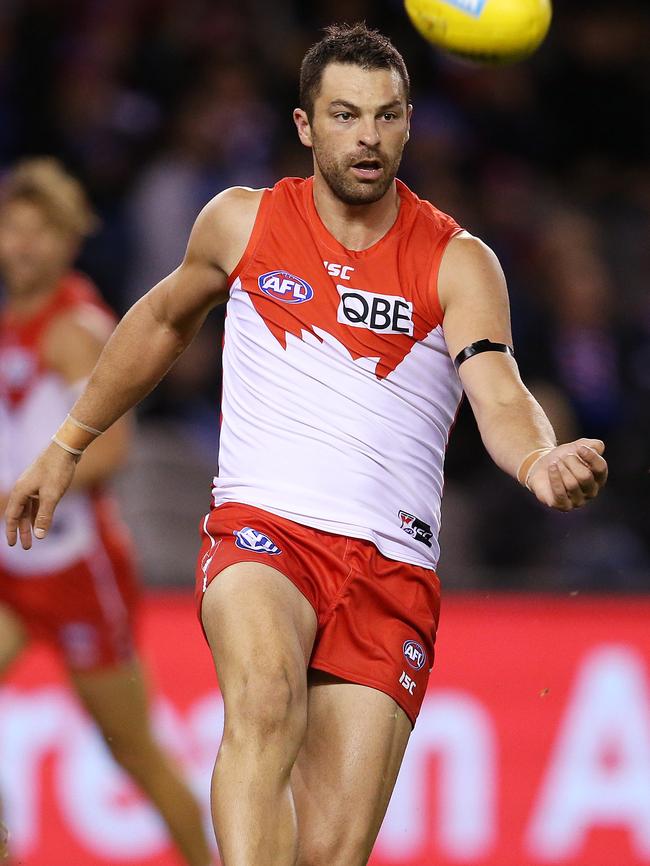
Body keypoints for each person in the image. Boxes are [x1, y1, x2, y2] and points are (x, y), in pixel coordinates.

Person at [4, 25, 608, 866]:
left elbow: (497, 389)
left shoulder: (458, 261)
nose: (367, 136)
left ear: (407, 126)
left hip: (391, 566)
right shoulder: (243, 223)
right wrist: (65, 447)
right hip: (264, 529)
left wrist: (541, 458)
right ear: (304, 125)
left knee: (330, 852)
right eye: (346, 115)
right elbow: (160, 322)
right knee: (264, 696)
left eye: (387, 116)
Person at [0, 159, 213, 866]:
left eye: (40, 232)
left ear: (69, 242)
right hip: (13, 567)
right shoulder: (11, 324)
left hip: (75, 573)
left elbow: (112, 450)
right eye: (12, 229)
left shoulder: (75, 329)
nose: (22, 246)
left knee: (136, 756)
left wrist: (25, 488)